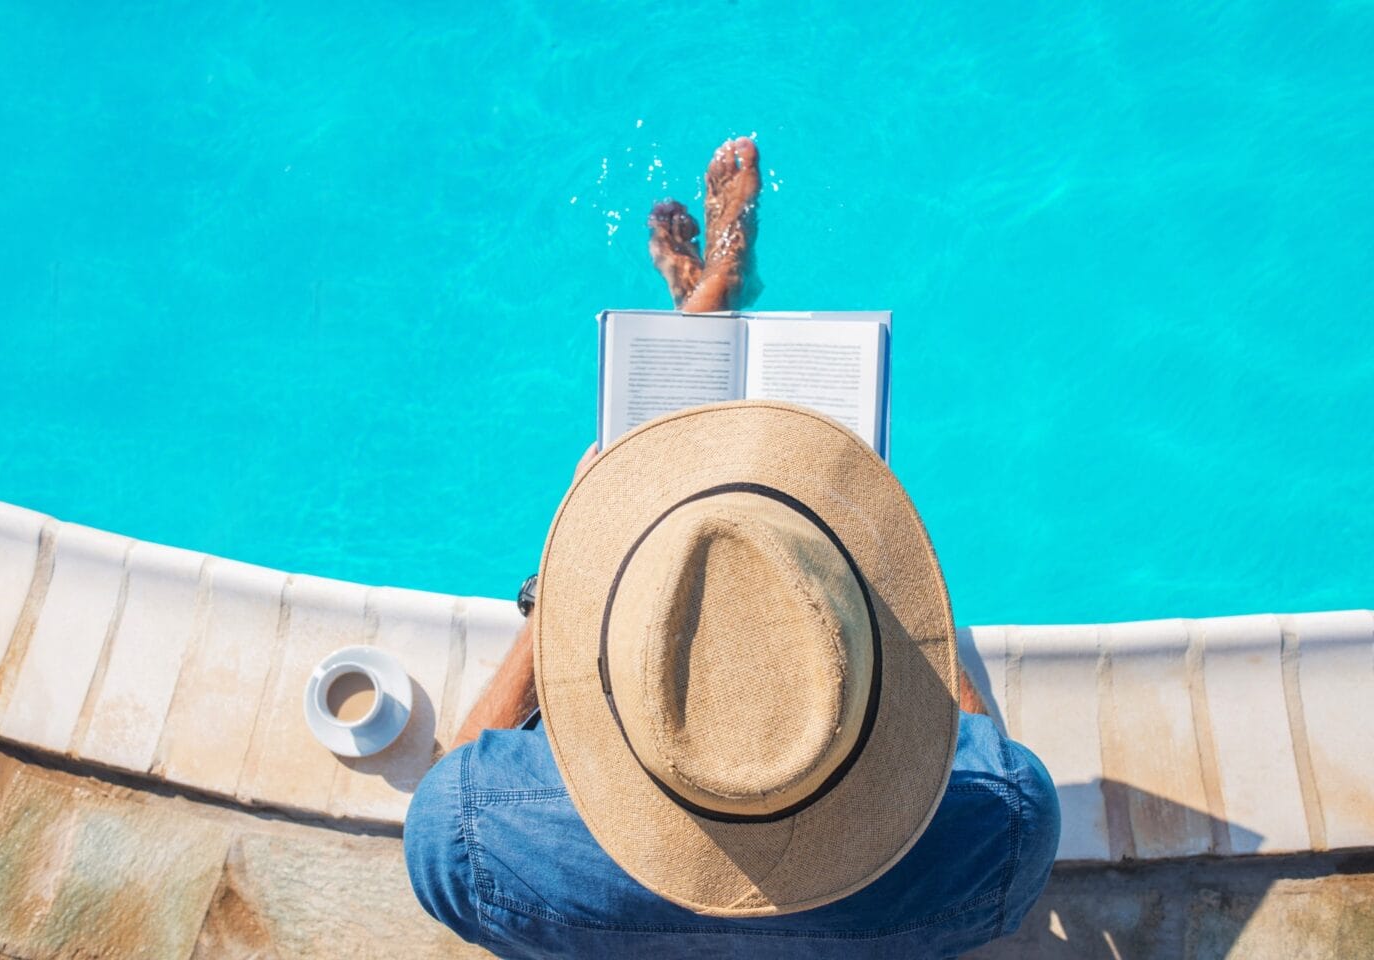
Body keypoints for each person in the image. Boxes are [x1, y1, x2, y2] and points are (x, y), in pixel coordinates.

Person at [403, 138, 1059, 959]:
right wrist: (892, 595)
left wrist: (559, 593)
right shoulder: (1004, 831)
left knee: (689, 567)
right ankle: (714, 295)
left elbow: (444, 794)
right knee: (764, 567)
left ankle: (703, 313)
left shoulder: (467, 838)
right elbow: (978, 751)